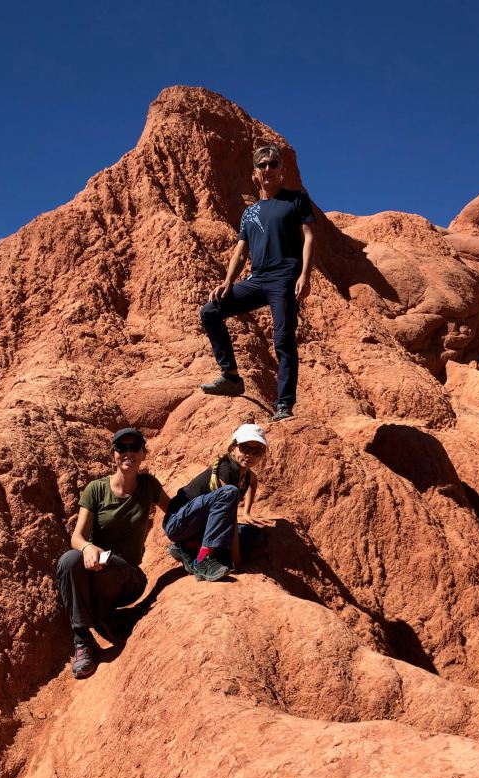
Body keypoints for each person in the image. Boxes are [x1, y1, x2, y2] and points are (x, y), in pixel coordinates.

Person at [199, 142, 316, 421]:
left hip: (284, 278)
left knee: (283, 339)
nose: (267, 169)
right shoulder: (249, 213)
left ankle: (284, 404)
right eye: (262, 165)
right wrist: (228, 282)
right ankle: (231, 376)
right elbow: (241, 251)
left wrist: (305, 275)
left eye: (273, 164)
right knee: (210, 311)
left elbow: (309, 237)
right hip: (256, 279)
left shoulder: (296, 200)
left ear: (281, 170)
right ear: (255, 173)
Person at [56, 427, 169, 679]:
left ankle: (105, 616)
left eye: (134, 447)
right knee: (68, 560)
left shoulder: (149, 485)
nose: (128, 453)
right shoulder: (96, 490)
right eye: (122, 448)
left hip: (129, 579)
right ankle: (83, 640)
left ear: (143, 453)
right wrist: (87, 547)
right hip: (97, 570)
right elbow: (77, 537)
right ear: (113, 454)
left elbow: (176, 513)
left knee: (110, 563)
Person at [163, 423, 268, 581]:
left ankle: (188, 548)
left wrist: (247, 512)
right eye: (245, 448)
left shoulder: (246, 474)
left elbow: (253, 482)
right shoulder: (226, 470)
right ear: (233, 447)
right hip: (178, 523)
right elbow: (229, 518)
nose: (250, 455)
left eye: (256, 451)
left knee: (254, 535)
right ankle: (202, 560)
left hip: (197, 525)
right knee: (230, 494)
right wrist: (237, 563)